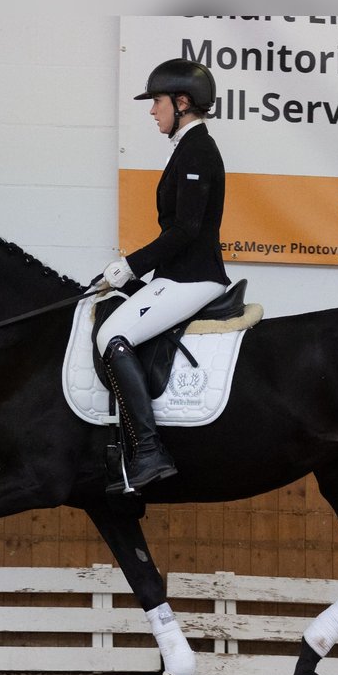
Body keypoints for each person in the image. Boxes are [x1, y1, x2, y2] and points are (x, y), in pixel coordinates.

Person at [97, 58, 230, 493]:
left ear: (182, 101)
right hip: (176, 275)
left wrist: (130, 266)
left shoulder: (197, 150)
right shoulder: (187, 148)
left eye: (157, 102)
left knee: (113, 339)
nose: (152, 111)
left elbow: (186, 230)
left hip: (193, 278)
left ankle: (150, 452)